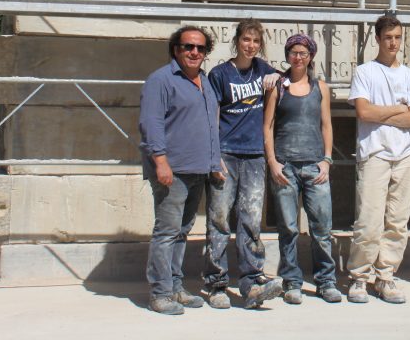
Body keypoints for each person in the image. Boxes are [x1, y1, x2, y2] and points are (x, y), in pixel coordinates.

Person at [138, 26, 222, 315]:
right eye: (188, 46)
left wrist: (214, 163)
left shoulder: (205, 81)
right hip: (172, 171)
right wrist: (160, 162)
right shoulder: (161, 80)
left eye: (200, 48)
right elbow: (151, 124)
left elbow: (211, 126)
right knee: (166, 232)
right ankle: (160, 293)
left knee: (182, 232)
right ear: (176, 49)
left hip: (198, 169)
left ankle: (175, 286)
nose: (194, 52)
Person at [345, 13, 410, 304]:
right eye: (388, 37)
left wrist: (385, 113)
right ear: (378, 39)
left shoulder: (409, 75)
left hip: (405, 155)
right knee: (368, 220)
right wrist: (397, 109)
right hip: (375, 153)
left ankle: (386, 276)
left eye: (397, 38)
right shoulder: (365, 72)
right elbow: (364, 113)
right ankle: (359, 277)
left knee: (397, 222)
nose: (393, 43)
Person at [203, 19, 285, 309]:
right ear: (236, 41)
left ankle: (251, 282)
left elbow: (283, 81)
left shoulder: (263, 69)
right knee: (219, 219)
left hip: (254, 155)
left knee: (250, 219)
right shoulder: (220, 74)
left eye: (255, 41)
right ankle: (216, 283)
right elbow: (211, 118)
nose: (250, 45)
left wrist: (276, 78)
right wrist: (213, 158)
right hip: (226, 153)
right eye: (246, 40)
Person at [263, 33, 341, 304]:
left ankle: (326, 280)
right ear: (287, 55)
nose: (298, 57)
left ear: (310, 57)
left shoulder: (321, 87)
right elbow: (268, 126)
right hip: (285, 167)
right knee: (288, 228)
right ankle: (292, 281)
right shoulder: (278, 87)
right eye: (294, 53)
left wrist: (327, 159)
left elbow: (326, 125)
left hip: (314, 167)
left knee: (322, 227)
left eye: (303, 53)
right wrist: (272, 162)